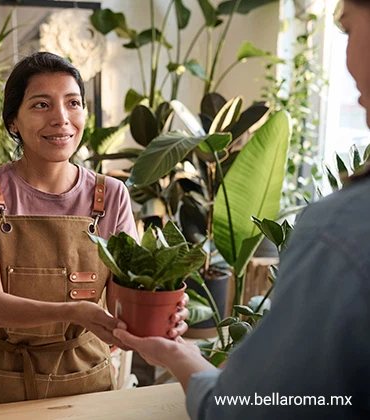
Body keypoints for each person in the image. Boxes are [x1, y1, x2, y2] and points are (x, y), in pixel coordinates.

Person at [112, 1, 370, 418]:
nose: (346, 61)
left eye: (349, 29)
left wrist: (181, 360)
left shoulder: (338, 233)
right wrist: (178, 354)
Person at [0, 52, 189, 407]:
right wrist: (73, 311)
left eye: (73, 103)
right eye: (41, 104)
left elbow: (130, 298)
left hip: (86, 381)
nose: (61, 119)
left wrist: (162, 315)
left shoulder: (111, 196)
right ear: (13, 122)